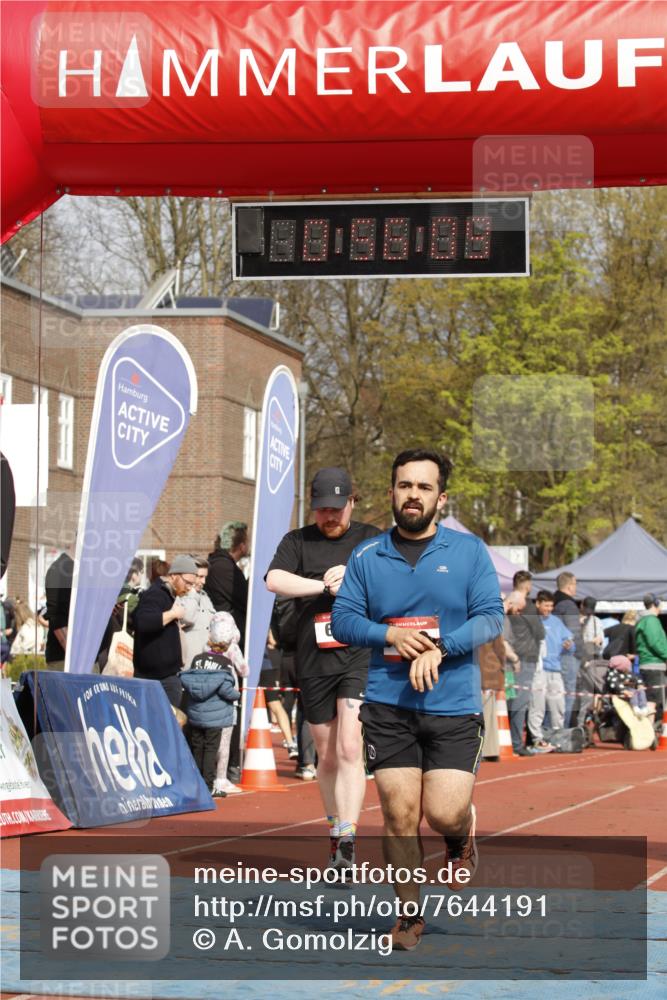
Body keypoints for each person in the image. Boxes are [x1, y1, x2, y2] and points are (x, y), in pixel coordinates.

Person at [331, 449, 503, 951]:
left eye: (424, 487)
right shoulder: (366, 556)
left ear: (440, 498)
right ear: (391, 492)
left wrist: (441, 646)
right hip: (388, 705)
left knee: (443, 812)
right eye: (405, 485)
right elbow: (343, 622)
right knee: (399, 813)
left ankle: (460, 837)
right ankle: (409, 913)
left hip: (452, 705)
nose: (413, 495)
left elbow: (491, 616)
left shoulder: (469, 553)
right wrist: (388, 636)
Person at [266, 467, 381, 870]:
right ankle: (335, 829)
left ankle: (347, 842)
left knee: (351, 745)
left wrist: (353, 578)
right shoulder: (297, 540)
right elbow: (274, 580)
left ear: (353, 502)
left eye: (337, 508)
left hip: (359, 652)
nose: (329, 517)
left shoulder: (370, 540)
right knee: (326, 754)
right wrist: (323, 586)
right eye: (322, 510)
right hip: (313, 656)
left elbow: (395, 579)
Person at [180, 611, 241, 796]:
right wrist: (235, 694)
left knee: (196, 746)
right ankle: (207, 785)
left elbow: (190, 680)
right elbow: (225, 689)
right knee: (210, 749)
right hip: (215, 715)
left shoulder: (198, 659)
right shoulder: (225, 663)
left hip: (196, 712)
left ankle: (196, 783)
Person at [132, 554, 197, 707]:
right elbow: (143, 622)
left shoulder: (169, 594)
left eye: (192, 584)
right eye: (187, 583)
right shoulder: (156, 594)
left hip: (165, 676)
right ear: (174, 575)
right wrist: (174, 614)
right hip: (155, 680)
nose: (189, 588)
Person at [528, 590, 574, 748]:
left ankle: (557, 737)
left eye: (551, 606)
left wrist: (569, 645)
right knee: (537, 706)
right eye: (546, 605)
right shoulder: (531, 620)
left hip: (555, 670)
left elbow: (569, 642)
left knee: (558, 706)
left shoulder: (556, 622)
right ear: (538, 604)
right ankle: (536, 739)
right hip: (538, 670)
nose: (548, 609)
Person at [508, 575, 545, 755]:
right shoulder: (527, 606)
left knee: (509, 699)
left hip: (511, 654)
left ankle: (512, 742)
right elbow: (540, 632)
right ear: (528, 586)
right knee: (520, 702)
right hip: (525, 657)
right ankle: (516, 744)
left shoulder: (509, 602)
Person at [206, 522, 249, 645]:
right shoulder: (224, 568)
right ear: (242, 546)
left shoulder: (219, 564)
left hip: (224, 634)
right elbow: (246, 601)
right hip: (226, 639)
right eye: (248, 542)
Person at [552, 571, 583, 724]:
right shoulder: (569, 605)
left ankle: (552, 728)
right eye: (575, 584)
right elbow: (573, 634)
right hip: (568, 656)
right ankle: (563, 730)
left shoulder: (553, 602)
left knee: (553, 694)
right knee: (568, 693)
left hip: (553, 654)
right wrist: (579, 652)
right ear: (570, 586)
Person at [635, 593, 667, 729]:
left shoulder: (645, 620)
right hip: (654, 665)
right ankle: (647, 732)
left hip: (650, 664)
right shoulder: (651, 620)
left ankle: (648, 730)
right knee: (653, 700)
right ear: (656, 604)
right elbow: (655, 643)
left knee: (652, 699)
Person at [178, 556, 216, 667]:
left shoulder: (205, 597)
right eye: (200, 577)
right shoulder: (179, 597)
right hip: (188, 665)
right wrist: (192, 593)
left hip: (206, 664)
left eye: (205, 577)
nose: (203, 581)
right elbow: (187, 618)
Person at [44, 546, 74, 670]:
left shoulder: (84, 570)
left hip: (88, 659)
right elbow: (56, 617)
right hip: (66, 660)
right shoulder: (59, 570)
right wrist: (77, 657)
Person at [580, 596, 605, 662]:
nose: (588, 613)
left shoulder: (597, 621)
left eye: (590, 611)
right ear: (582, 606)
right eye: (587, 610)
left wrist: (599, 641)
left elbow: (601, 642)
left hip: (593, 658)